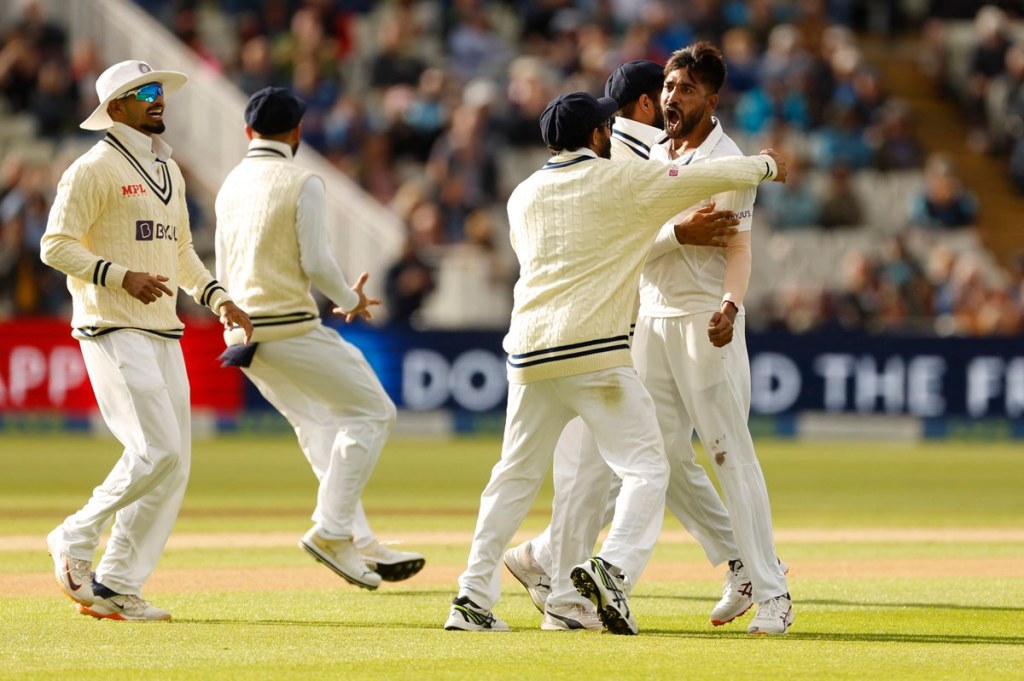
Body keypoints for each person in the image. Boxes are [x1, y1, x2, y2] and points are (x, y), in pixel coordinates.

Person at [443, 90, 786, 635]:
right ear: (600, 135)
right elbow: (698, 180)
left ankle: (472, 598)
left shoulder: (522, 195)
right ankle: (610, 568)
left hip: (528, 354)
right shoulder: (618, 181)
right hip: (592, 355)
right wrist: (765, 165)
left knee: (511, 478)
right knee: (649, 467)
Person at [502, 59, 746, 632]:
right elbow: (611, 244)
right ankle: (570, 589)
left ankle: (548, 567)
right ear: (643, 104)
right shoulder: (630, 156)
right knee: (616, 471)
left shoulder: (614, 153)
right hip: (608, 338)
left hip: (572, 337)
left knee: (641, 463)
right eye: (660, 91)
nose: (667, 103)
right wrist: (684, 228)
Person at [40, 59, 253, 622]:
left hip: (163, 326)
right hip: (110, 321)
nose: (160, 99)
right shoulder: (93, 168)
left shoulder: (169, 170)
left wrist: (217, 296)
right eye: (146, 92)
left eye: (160, 90)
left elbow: (180, 251)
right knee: (155, 450)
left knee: (173, 462)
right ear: (116, 109)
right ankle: (74, 535)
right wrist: (119, 275)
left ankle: (116, 585)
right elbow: (54, 245)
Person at [214, 86, 424, 590]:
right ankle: (331, 532)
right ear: (296, 133)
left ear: (248, 133)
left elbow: (221, 264)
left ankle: (358, 540)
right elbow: (317, 263)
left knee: (320, 429)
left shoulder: (229, 184)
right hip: (288, 328)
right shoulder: (301, 178)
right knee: (374, 413)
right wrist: (350, 302)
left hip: (243, 335)